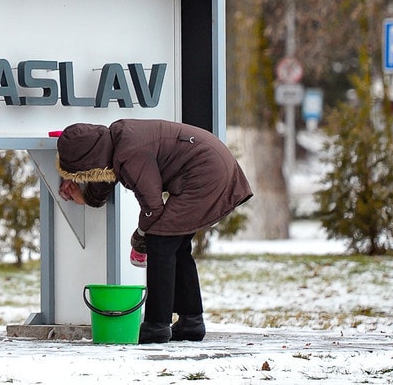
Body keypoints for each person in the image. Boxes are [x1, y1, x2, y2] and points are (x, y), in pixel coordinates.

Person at [55, 119, 252, 344]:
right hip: (210, 164)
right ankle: (191, 322)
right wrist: (87, 198)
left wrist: (140, 236)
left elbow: (153, 206)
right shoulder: (116, 140)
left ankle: (157, 325)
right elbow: (106, 176)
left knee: (161, 241)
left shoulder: (130, 154)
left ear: (88, 161)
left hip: (207, 172)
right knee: (176, 246)